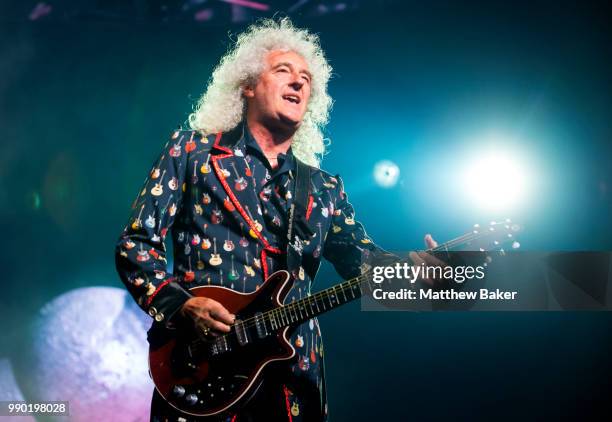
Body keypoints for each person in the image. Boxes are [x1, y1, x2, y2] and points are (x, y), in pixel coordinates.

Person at [115, 18, 440, 422]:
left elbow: (366, 264)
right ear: (248, 85)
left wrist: (420, 278)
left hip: (292, 380)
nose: (299, 83)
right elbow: (136, 245)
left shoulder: (323, 189)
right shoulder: (192, 152)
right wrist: (182, 306)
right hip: (200, 370)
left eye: (306, 78)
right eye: (284, 71)